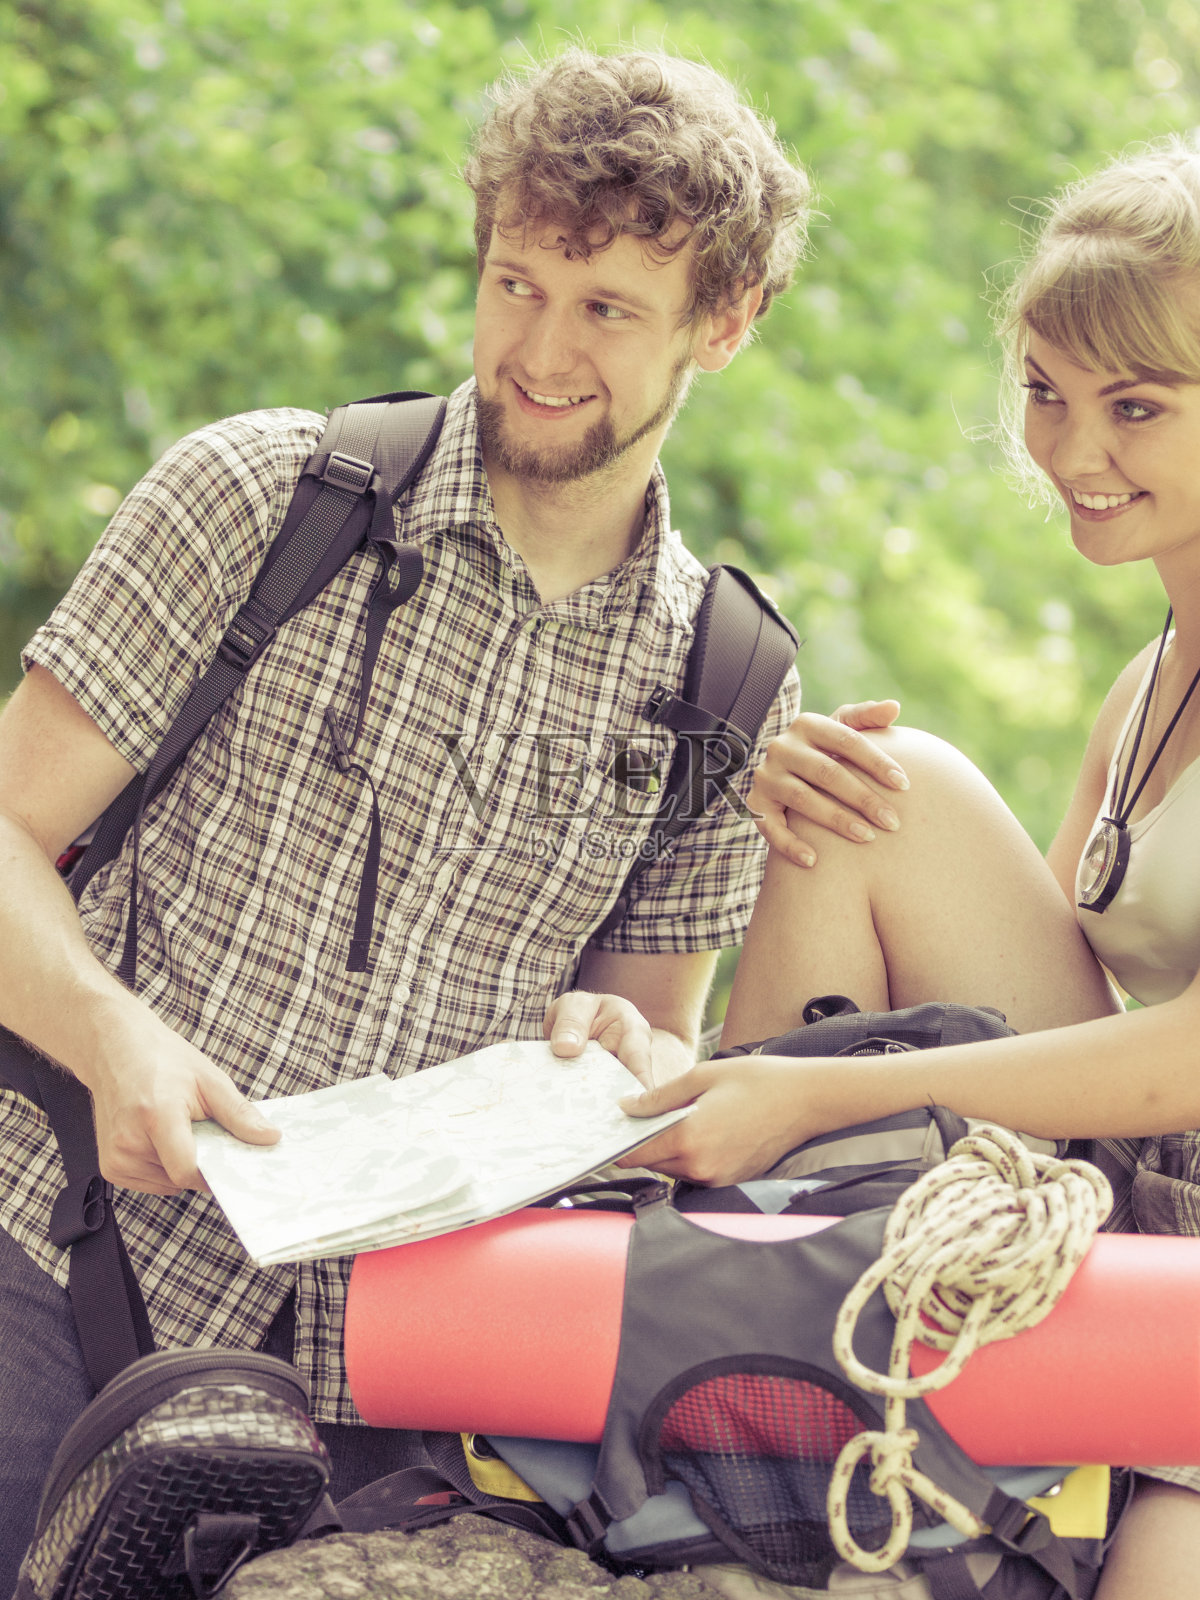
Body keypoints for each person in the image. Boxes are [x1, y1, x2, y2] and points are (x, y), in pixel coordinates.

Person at [0, 47, 815, 1582]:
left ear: (728, 320)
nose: (541, 350)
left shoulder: (729, 682)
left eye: (607, 310)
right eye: (515, 284)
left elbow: (646, 1043)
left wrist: (634, 1067)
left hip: (379, 1406)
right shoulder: (259, 496)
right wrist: (115, 1040)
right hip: (44, 1266)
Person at [616, 136, 1200, 1597]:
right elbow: (1045, 1008)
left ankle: (770, 1190)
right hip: (1139, 1194)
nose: (1072, 453)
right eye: (1049, 396)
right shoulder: (1150, 687)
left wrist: (829, 1091)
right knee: (882, 786)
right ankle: (740, 1283)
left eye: (1136, 407)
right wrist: (787, 800)